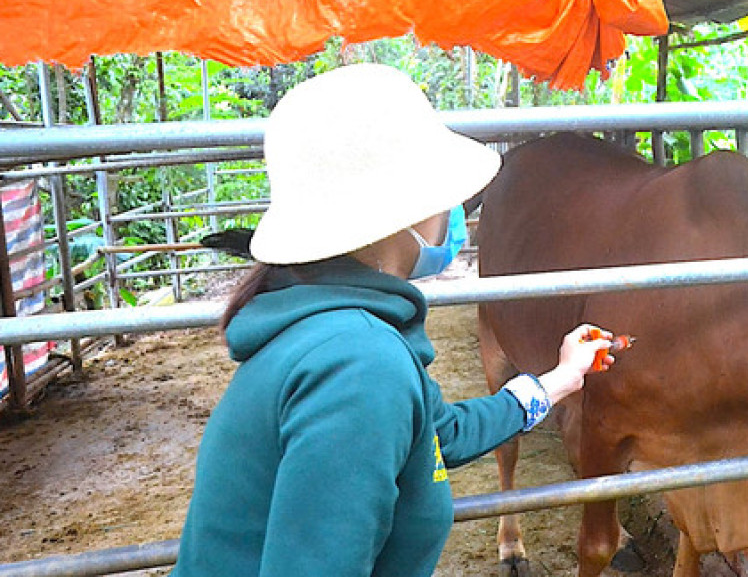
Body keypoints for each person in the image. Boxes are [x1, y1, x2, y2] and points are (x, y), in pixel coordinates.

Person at [171, 63, 614, 577]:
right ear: (399, 213)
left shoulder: (336, 333)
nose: (454, 211)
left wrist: (559, 379)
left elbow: (437, 434)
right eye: (443, 193)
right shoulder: (358, 367)